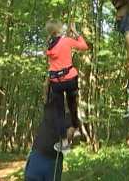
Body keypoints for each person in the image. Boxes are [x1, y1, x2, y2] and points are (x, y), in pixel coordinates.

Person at [45, 19, 88, 154]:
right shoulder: (67, 41)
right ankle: (75, 128)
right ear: (58, 30)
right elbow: (83, 46)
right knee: (72, 104)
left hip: (56, 82)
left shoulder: (48, 47)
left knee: (60, 112)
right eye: (61, 27)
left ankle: (64, 142)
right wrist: (75, 33)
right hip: (70, 79)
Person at [24, 79, 75, 181]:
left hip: (54, 161)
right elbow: (46, 87)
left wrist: (67, 134)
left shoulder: (70, 116)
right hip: (38, 155)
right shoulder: (49, 105)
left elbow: (71, 131)